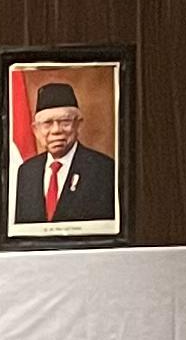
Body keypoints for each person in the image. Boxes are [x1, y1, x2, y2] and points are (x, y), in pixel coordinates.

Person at [11, 79, 119, 229]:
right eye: (47, 123)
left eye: (65, 122)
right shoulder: (26, 172)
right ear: (36, 130)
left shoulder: (103, 170)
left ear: (78, 124)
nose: (56, 130)